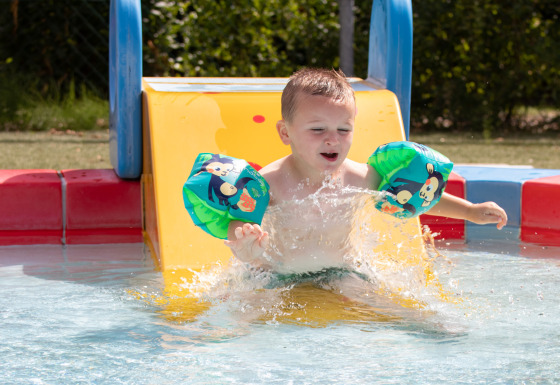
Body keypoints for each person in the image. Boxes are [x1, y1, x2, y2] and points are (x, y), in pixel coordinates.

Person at [224, 68, 508, 272]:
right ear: (285, 132)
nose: (332, 138)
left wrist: (470, 211)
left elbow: (415, 194)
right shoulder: (270, 182)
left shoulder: (358, 177)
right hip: (279, 273)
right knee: (245, 311)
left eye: (343, 129)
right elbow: (240, 218)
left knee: (392, 309)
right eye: (318, 129)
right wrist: (244, 239)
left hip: (341, 271)